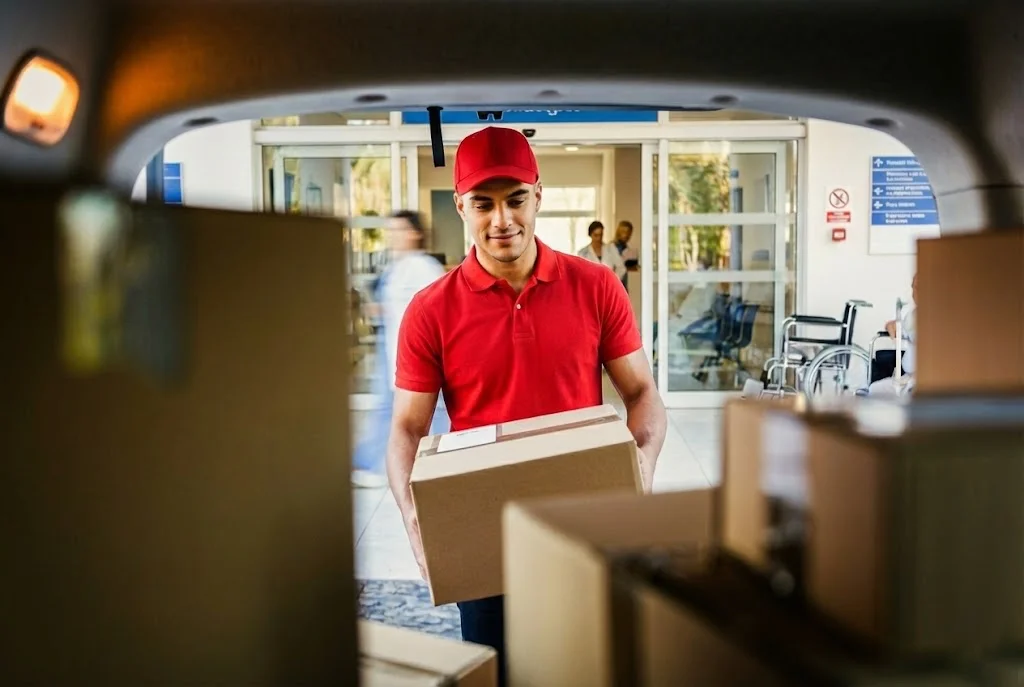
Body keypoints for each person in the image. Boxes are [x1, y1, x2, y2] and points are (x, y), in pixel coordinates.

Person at [385, 126, 667, 686]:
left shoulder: (597, 286)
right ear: (460, 206)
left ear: (538, 196)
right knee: (497, 672)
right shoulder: (430, 309)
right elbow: (406, 429)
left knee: (585, 670)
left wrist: (641, 468)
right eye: (483, 204)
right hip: (482, 528)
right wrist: (415, 518)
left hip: (581, 521)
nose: (502, 220)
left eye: (515, 199)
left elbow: (642, 395)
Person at [351, 211, 449, 488]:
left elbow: (434, 312)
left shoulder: (424, 267)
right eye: (390, 231)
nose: (393, 236)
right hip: (392, 348)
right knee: (388, 410)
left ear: (415, 233)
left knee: (422, 413)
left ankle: (432, 466)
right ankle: (374, 464)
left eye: (398, 230)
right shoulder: (397, 267)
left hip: (414, 352)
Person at [865, 273, 917, 397]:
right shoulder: (914, 315)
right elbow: (900, 328)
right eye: (913, 288)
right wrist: (892, 324)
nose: (914, 294)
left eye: (919, 288)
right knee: (874, 389)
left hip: (924, 380)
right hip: (907, 378)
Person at [612, 220, 639, 290]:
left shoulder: (627, 248)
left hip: (623, 284)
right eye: (623, 232)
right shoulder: (611, 247)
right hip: (614, 284)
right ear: (618, 232)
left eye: (628, 232)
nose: (626, 235)